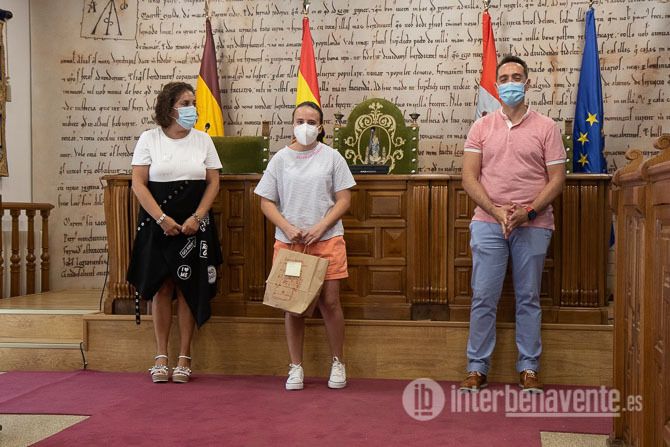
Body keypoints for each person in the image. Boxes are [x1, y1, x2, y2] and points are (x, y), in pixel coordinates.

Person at [459, 55, 566, 393]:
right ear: (496, 86)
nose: (510, 84)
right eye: (504, 79)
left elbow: (557, 179)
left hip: (533, 224)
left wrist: (528, 212)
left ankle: (529, 368)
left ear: (527, 83)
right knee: (483, 297)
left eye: (516, 77)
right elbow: (469, 178)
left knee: (528, 297)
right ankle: (476, 368)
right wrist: (496, 211)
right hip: (488, 222)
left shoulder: (546, 127)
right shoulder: (481, 127)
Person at [254, 101, 356, 391]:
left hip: (327, 238)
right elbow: (266, 201)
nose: (305, 127)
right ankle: (296, 366)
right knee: (293, 306)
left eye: (311, 122)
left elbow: (344, 200)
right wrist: (287, 227)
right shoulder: (280, 159)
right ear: (292, 124)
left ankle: (338, 362)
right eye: (300, 121)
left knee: (330, 302)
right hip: (291, 242)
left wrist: (321, 226)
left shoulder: (332, 157)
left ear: (321, 127)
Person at [127, 81, 223, 384]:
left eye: (193, 103)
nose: (191, 108)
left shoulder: (203, 140)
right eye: (185, 103)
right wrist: (161, 218)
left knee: (188, 286)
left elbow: (213, 182)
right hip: (159, 222)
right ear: (169, 107)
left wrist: (197, 216)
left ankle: (184, 357)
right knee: (162, 286)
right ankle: (161, 356)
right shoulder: (149, 138)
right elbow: (138, 183)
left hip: (194, 224)